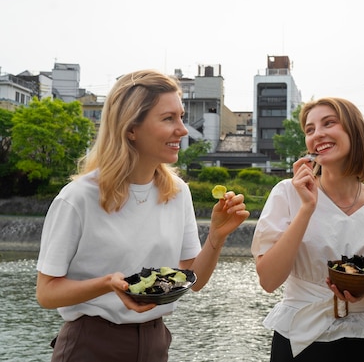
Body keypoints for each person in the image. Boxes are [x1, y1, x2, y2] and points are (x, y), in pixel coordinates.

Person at [36, 69, 250, 361]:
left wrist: (216, 237)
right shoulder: (77, 198)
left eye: (182, 116)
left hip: (155, 344)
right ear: (131, 128)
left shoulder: (177, 192)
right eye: (168, 119)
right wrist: (106, 284)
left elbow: (194, 280)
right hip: (90, 345)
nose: (183, 129)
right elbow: (46, 293)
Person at [251, 97, 364, 361]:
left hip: (362, 339)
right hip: (299, 337)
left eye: (328, 123)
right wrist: (307, 208)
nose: (317, 134)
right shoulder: (288, 193)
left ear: (353, 131)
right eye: (310, 130)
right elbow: (269, 281)